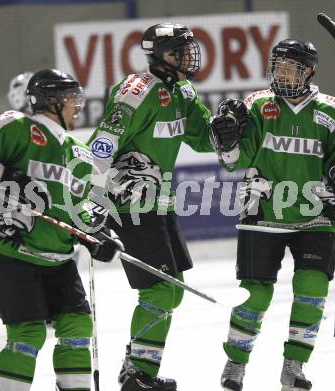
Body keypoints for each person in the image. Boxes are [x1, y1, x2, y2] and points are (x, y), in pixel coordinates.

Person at [210, 39, 335, 390]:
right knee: (255, 294)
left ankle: (293, 367)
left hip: (316, 213)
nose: (282, 73)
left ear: (308, 71)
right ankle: (235, 364)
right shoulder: (258, 105)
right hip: (263, 211)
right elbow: (234, 163)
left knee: (311, 289)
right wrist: (228, 143)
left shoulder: (334, 111)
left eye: (290, 67)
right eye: (277, 66)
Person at [0, 68, 122, 391]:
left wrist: (97, 235)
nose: (78, 105)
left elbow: (78, 209)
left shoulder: (79, 152)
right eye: (70, 98)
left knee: (78, 326)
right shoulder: (15, 126)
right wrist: (8, 179)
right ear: (50, 100)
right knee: (28, 334)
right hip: (13, 253)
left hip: (58, 258)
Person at [87, 23, 214, 391]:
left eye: (190, 47)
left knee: (172, 289)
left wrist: (227, 127)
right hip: (130, 202)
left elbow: (204, 139)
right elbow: (102, 144)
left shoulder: (183, 92)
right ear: (160, 55)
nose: (189, 55)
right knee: (158, 291)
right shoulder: (137, 91)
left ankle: (135, 365)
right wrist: (91, 197)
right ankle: (139, 376)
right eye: (180, 49)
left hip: (160, 202)